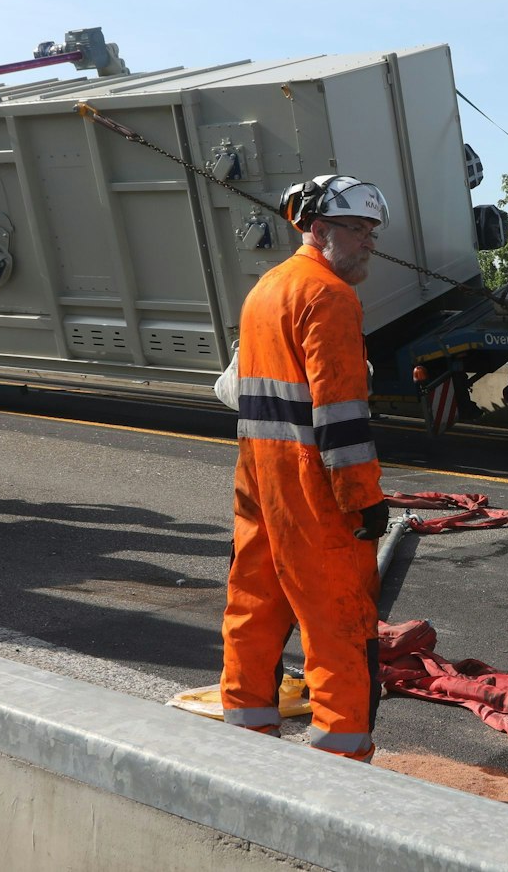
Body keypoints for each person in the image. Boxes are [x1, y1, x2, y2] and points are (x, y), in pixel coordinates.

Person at [220, 174, 394, 763]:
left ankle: (246, 735)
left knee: (254, 606)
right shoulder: (329, 296)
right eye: (357, 229)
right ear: (319, 230)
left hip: (259, 479)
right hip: (312, 488)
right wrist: (364, 499)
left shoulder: (267, 288)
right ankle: (340, 760)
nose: (369, 241)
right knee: (338, 622)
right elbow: (341, 419)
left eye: (372, 230)